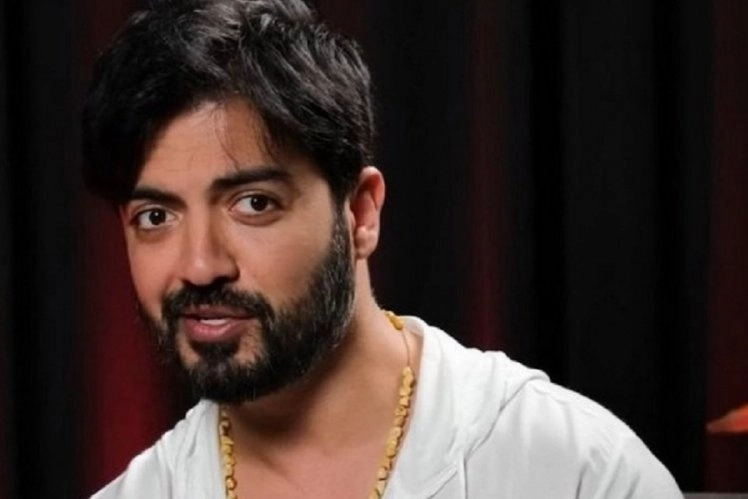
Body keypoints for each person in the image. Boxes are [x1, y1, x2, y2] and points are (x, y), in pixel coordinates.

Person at [83, 0, 682, 497]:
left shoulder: (577, 471)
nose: (200, 265)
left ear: (360, 213)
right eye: (155, 217)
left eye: (254, 204)